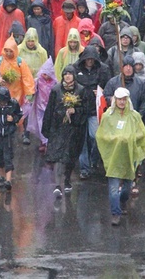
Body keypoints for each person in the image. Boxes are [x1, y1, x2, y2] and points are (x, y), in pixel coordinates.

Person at [96, 87, 145, 226]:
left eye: (124, 99)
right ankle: (115, 213)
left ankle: (122, 201)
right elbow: (102, 135)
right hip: (114, 157)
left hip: (129, 156)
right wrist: (116, 139)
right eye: (119, 99)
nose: (121, 102)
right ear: (115, 100)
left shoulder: (134, 116)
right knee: (114, 188)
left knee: (126, 187)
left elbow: (142, 134)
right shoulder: (108, 116)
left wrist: (130, 138)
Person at [42, 65, 91, 197]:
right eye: (65, 73)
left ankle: (67, 179)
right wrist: (46, 128)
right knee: (58, 156)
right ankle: (58, 185)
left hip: (74, 129)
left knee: (70, 156)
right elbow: (50, 109)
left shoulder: (81, 90)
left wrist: (75, 111)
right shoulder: (56, 90)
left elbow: (86, 109)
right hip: (58, 128)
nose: (68, 76)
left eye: (70, 73)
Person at [74, 45, 111, 180]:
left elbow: (109, 87)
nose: (89, 62)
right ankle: (84, 168)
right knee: (82, 140)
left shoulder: (103, 70)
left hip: (95, 110)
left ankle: (94, 159)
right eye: (87, 59)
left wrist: (102, 93)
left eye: (92, 59)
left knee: (95, 137)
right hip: (80, 109)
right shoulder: (75, 69)